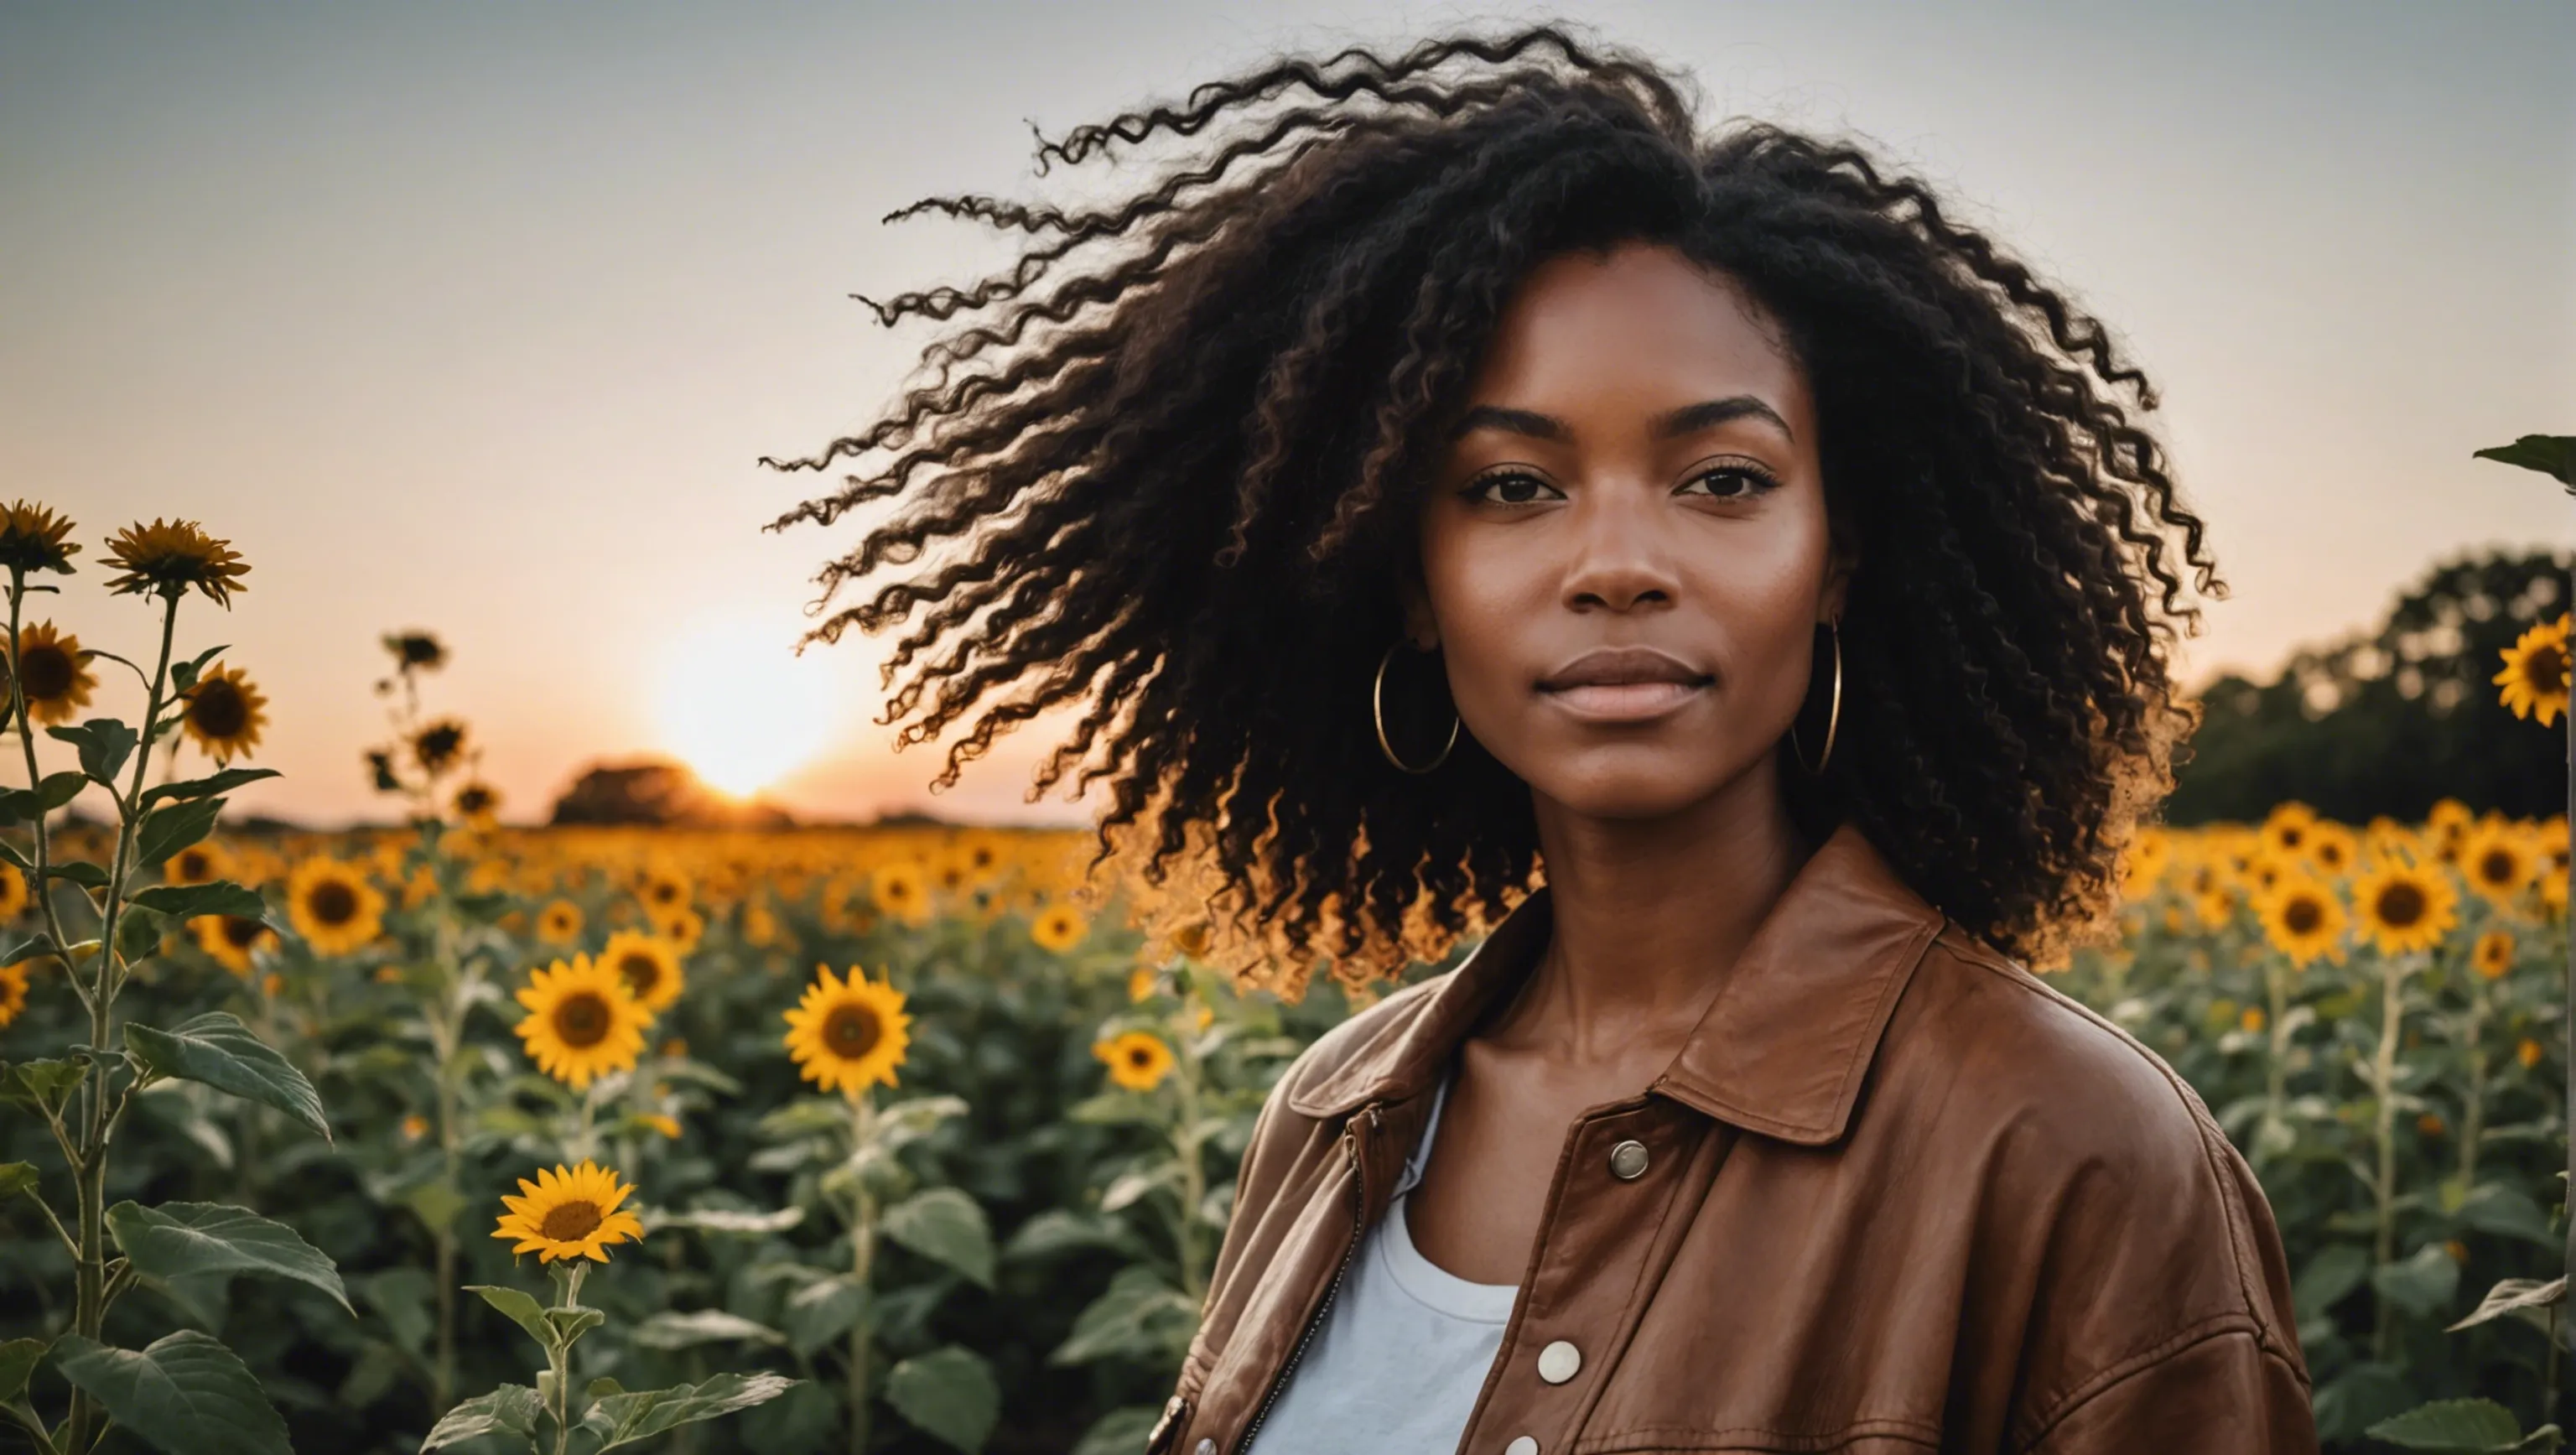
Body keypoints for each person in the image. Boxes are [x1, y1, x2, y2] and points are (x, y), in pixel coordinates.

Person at [770, 21, 2316, 1454]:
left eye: (1722, 479)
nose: (1615, 561)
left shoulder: (2071, 1151)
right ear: (1412, 579)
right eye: (1512, 485)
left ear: (1843, 555)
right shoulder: (1333, 1113)